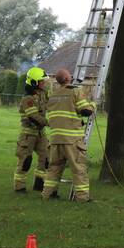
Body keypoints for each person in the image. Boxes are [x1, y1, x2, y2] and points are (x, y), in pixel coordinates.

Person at [41, 68, 96, 202]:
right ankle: (82, 197)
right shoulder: (75, 91)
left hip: (55, 139)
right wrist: (94, 105)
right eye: (69, 75)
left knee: (54, 168)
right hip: (72, 139)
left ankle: (48, 194)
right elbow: (85, 111)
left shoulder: (52, 95)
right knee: (78, 168)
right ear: (67, 79)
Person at [13, 67, 51, 193]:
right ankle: (19, 187)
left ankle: (39, 184)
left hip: (40, 134)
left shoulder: (43, 94)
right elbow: (34, 117)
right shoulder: (27, 99)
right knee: (25, 161)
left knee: (46, 158)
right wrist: (50, 123)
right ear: (34, 82)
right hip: (28, 135)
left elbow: (52, 103)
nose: (44, 83)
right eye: (41, 81)